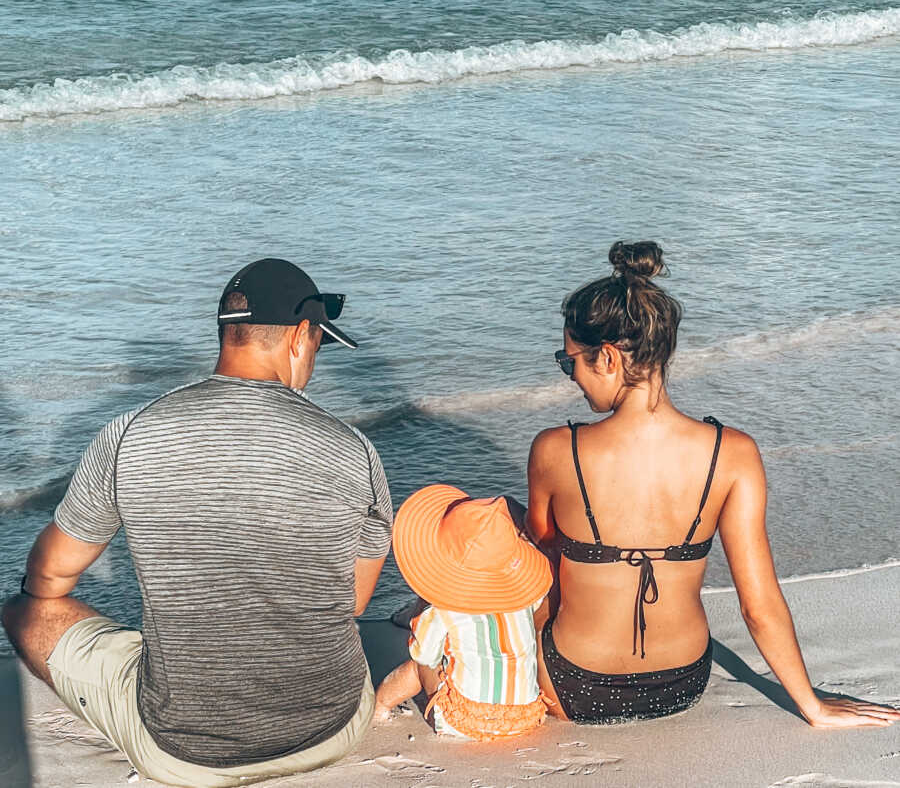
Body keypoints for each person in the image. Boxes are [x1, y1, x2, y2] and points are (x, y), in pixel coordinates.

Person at [2, 258, 394, 787]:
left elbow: (51, 577)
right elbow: (352, 602)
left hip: (182, 754)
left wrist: (28, 590)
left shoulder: (130, 434)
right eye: (320, 346)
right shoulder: (354, 450)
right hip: (335, 726)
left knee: (27, 611)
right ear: (301, 336)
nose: (314, 364)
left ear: (228, 333)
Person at [527, 241, 900, 729]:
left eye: (568, 360)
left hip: (574, 686)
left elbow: (541, 555)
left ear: (609, 358)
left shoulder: (556, 449)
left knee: (499, 537)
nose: (570, 376)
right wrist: (812, 704)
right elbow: (758, 602)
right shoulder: (734, 452)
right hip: (682, 684)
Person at [374, 486, 552, 741]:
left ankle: (380, 708)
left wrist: (424, 603)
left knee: (419, 666)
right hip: (525, 716)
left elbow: (422, 653)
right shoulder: (524, 598)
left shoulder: (443, 609)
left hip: (465, 721)